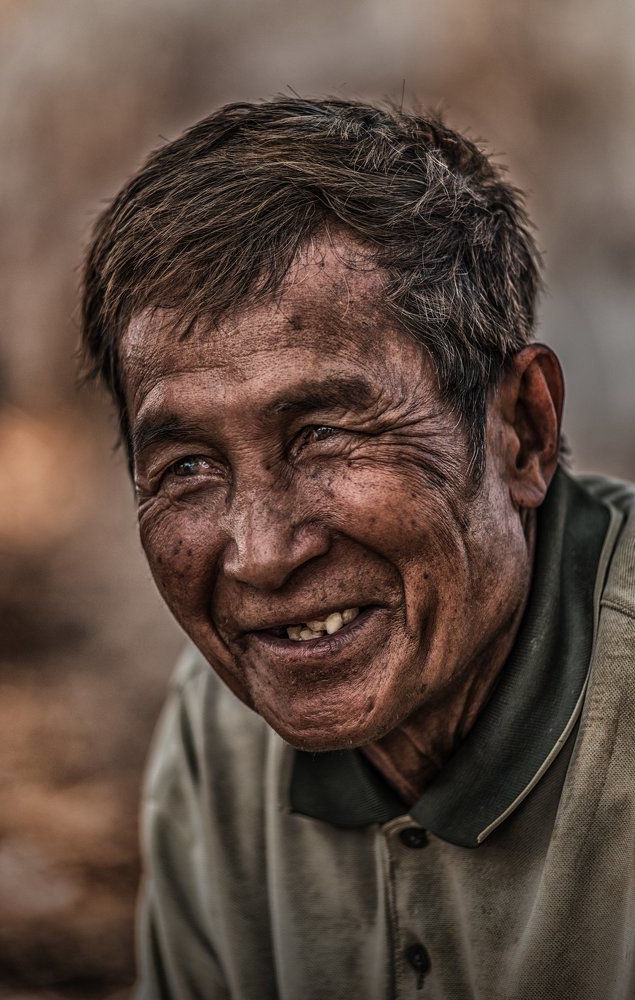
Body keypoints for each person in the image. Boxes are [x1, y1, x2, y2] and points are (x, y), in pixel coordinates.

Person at [80, 98, 634, 1000]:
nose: (259, 556)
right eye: (186, 465)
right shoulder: (225, 726)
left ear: (521, 432)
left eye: (326, 432)